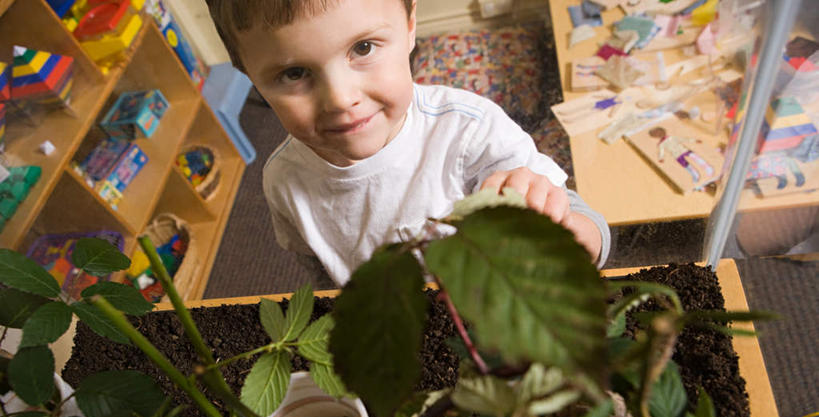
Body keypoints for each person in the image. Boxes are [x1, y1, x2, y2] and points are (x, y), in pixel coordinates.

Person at [206, 0, 611, 285]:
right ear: (248, 75)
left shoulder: (468, 129)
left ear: (410, 23)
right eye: (294, 73)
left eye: (362, 48)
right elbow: (320, 268)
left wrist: (563, 230)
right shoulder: (281, 182)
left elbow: (591, 230)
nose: (341, 99)